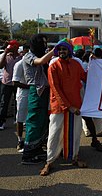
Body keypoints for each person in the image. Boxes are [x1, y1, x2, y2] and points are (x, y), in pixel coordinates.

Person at [40, 38, 87, 176]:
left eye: (64, 49)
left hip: (76, 104)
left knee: (76, 132)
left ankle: (74, 157)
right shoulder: (53, 66)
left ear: (69, 51)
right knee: (54, 133)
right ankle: (49, 161)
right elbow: (55, 88)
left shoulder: (76, 65)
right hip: (59, 106)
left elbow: (85, 77)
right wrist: (68, 106)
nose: (61, 52)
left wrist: (98, 66)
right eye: (59, 49)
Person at [22, 34, 54, 164]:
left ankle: (37, 149)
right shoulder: (28, 56)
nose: (45, 46)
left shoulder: (41, 55)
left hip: (44, 91)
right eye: (42, 43)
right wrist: (53, 51)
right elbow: (40, 62)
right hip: (36, 91)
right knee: (34, 121)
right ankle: (28, 154)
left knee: (42, 121)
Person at [0, 40, 22, 130]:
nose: (9, 48)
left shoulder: (20, 58)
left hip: (17, 82)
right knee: (4, 103)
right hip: (7, 83)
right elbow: (0, 66)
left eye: (11, 46)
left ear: (16, 47)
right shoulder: (6, 56)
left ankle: (17, 120)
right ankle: (1, 121)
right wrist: (5, 53)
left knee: (18, 102)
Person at [12, 45, 30, 152]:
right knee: (20, 118)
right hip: (23, 94)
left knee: (30, 119)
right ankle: (19, 140)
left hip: (32, 94)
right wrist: (30, 86)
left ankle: (29, 140)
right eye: (26, 52)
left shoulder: (33, 63)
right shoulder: (19, 64)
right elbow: (15, 82)